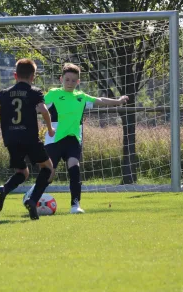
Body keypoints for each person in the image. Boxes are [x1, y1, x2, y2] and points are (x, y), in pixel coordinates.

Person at [44, 63, 128, 214]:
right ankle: (33, 196)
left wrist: (118, 101)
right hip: (54, 138)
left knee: (74, 167)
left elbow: (100, 100)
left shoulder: (81, 97)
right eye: (67, 79)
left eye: (73, 80)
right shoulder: (53, 94)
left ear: (78, 82)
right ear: (61, 79)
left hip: (73, 139)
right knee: (49, 174)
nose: (70, 83)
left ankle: (75, 205)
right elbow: (39, 104)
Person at [0, 58, 55, 220]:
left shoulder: (4, 93)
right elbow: (43, 110)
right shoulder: (34, 92)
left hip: (11, 138)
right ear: (33, 77)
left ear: (15, 75)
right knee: (48, 169)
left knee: (22, 172)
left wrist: (5, 112)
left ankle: (4, 189)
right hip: (29, 137)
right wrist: (50, 129)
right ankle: (33, 200)